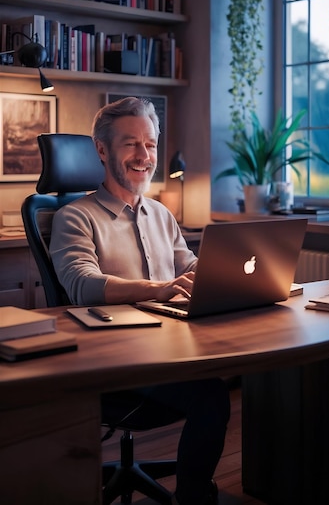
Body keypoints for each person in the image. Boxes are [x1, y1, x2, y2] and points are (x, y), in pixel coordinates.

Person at [50, 97, 231, 505]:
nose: (144, 156)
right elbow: (81, 283)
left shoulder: (162, 215)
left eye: (150, 144)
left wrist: (231, 272)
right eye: (131, 144)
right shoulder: (75, 217)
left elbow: (193, 266)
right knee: (211, 394)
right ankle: (193, 499)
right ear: (101, 150)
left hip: (168, 350)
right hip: (113, 363)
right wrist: (157, 289)